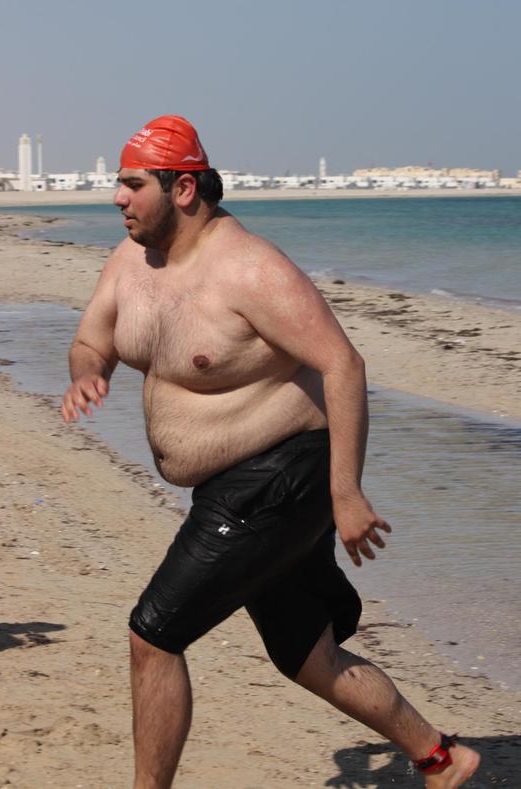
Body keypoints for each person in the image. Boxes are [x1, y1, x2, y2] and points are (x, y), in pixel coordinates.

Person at [61, 115, 480, 788]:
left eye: (133, 184)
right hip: (234, 485)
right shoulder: (132, 260)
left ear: (184, 189)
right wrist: (88, 372)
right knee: (308, 655)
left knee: (154, 634)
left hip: (280, 475)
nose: (118, 198)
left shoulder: (250, 269)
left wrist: (346, 493)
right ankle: (442, 758)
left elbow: (343, 365)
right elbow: (92, 339)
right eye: (119, 183)